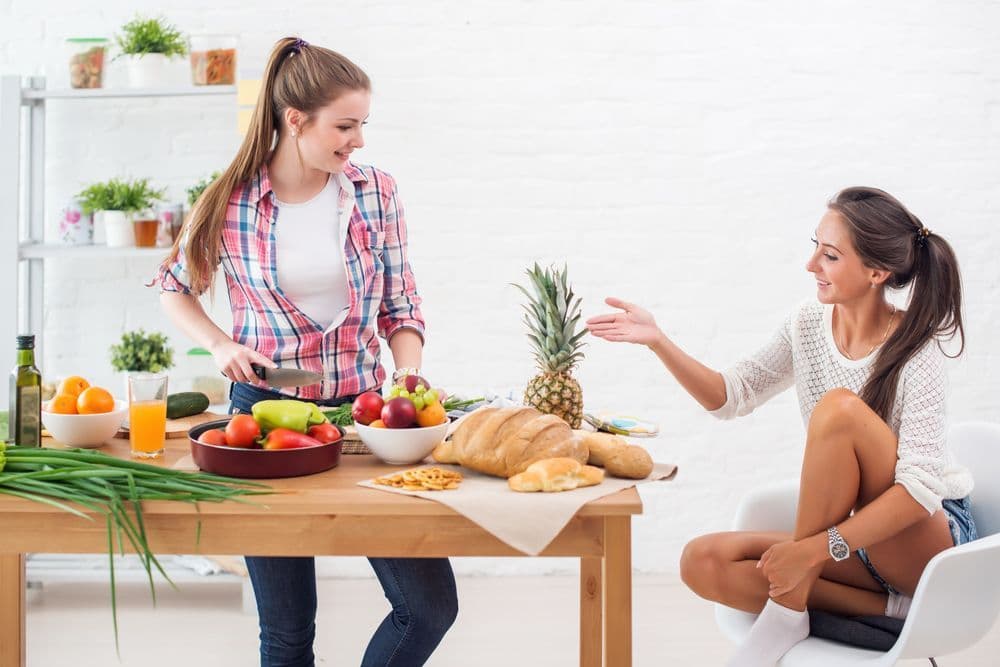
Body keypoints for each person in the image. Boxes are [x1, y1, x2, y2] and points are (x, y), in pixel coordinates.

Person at [155, 37, 457, 667]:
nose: (359, 141)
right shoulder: (230, 200)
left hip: (371, 420)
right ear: (296, 120)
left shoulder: (375, 192)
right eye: (345, 126)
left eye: (362, 125)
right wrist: (218, 342)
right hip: (262, 423)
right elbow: (173, 287)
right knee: (288, 632)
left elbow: (402, 304)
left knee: (428, 606)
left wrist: (409, 378)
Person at [586, 187, 976, 666]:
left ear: (877, 273)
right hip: (859, 541)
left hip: (925, 541)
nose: (811, 264)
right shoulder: (806, 325)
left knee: (839, 411)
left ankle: (789, 606)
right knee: (701, 561)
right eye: (815, 246)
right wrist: (658, 341)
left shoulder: (918, 347)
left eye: (830, 255)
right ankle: (888, 610)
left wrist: (814, 550)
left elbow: (919, 490)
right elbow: (731, 396)